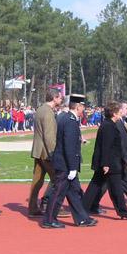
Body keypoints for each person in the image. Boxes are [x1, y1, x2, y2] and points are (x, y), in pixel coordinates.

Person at [85, 102, 127, 214]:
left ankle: (91, 205)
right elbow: (112, 145)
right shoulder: (111, 125)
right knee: (113, 185)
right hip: (113, 160)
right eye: (123, 109)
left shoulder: (114, 123)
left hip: (113, 160)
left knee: (105, 184)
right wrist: (122, 159)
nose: (124, 111)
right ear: (115, 112)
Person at [42, 94, 97, 228]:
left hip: (65, 162)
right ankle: (49, 220)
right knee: (58, 193)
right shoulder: (70, 121)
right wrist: (72, 167)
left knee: (74, 193)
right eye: (83, 107)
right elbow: (69, 146)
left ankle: (82, 218)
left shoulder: (67, 118)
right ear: (78, 107)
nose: (84, 110)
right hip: (65, 164)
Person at [28, 87, 68, 218]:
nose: (61, 99)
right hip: (46, 153)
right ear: (54, 98)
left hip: (38, 150)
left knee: (37, 181)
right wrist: (53, 153)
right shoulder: (49, 113)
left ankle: (33, 207)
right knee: (58, 180)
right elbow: (49, 136)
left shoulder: (40, 109)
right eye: (60, 97)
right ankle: (57, 207)